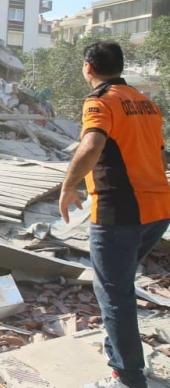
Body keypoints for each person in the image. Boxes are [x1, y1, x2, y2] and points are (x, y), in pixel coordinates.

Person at [59, 42, 170, 388]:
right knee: (119, 286)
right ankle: (119, 358)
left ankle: (127, 377)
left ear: (88, 68)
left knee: (114, 293)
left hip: (120, 212)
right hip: (159, 210)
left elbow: (91, 145)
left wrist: (68, 185)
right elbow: (162, 156)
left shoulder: (99, 102)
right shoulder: (145, 103)